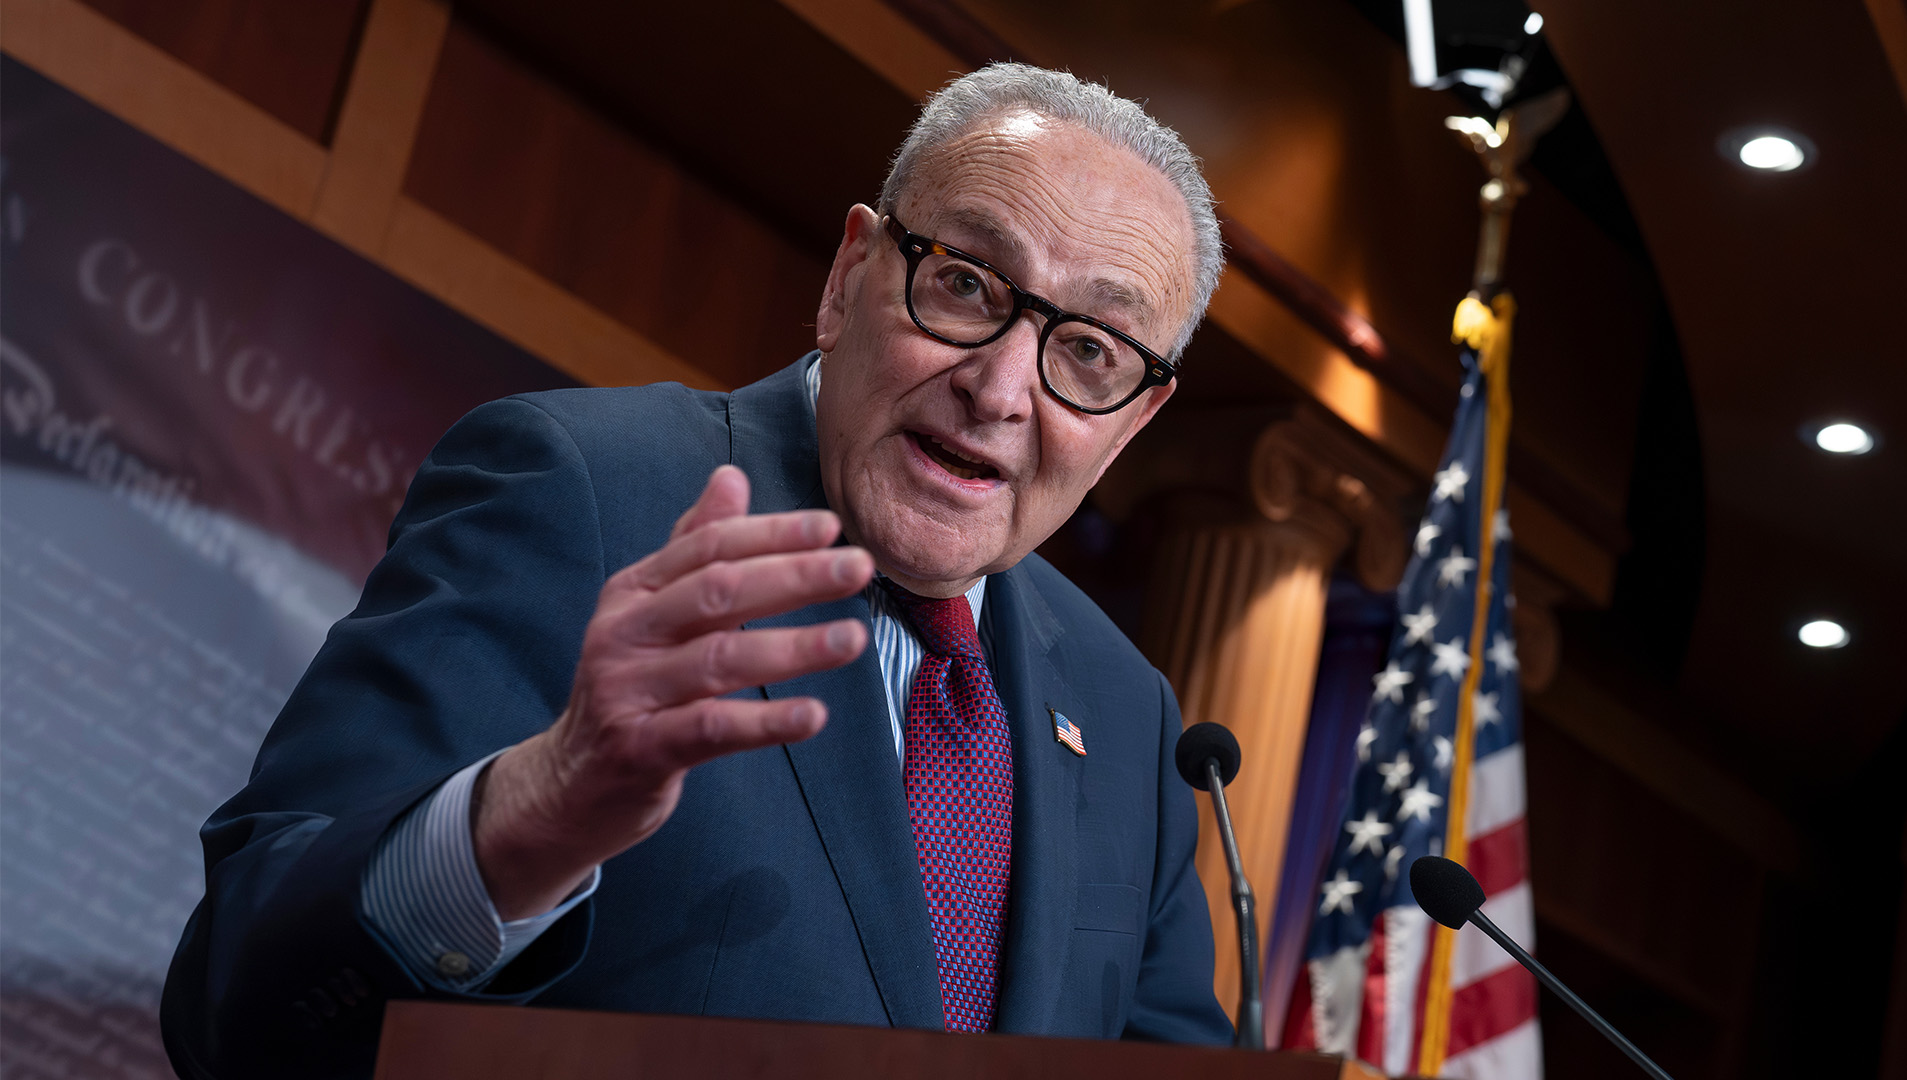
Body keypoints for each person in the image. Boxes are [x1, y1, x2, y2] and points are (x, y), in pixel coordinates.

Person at [161, 63, 1232, 1079]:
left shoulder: (1128, 713)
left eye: (1091, 350)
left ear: (1136, 418)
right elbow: (235, 1003)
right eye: (964, 283)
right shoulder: (581, 488)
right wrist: (527, 817)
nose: (1001, 389)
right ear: (852, 275)